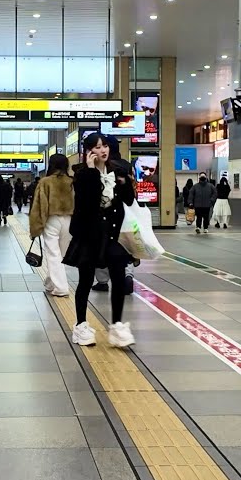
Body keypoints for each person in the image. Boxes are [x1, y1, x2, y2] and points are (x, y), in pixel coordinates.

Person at [64, 132, 136, 349]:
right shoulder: (82, 174)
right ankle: (81, 326)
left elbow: (130, 200)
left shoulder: (117, 170)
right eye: (96, 147)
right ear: (88, 151)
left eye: (104, 145)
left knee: (119, 278)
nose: (102, 150)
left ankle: (117, 326)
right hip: (88, 235)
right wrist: (93, 172)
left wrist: (124, 183)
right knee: (85, 281)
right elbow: (87, 204)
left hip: (113, 235)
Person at [30, 154, 75, 297]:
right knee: (60, 254)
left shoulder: (45, 182)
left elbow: (39, 205)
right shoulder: (71, 181)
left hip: (51, 220)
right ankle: (50, 282)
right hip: (69, 220)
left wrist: (36, 227)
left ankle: (61, 288)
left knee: (53, 254)